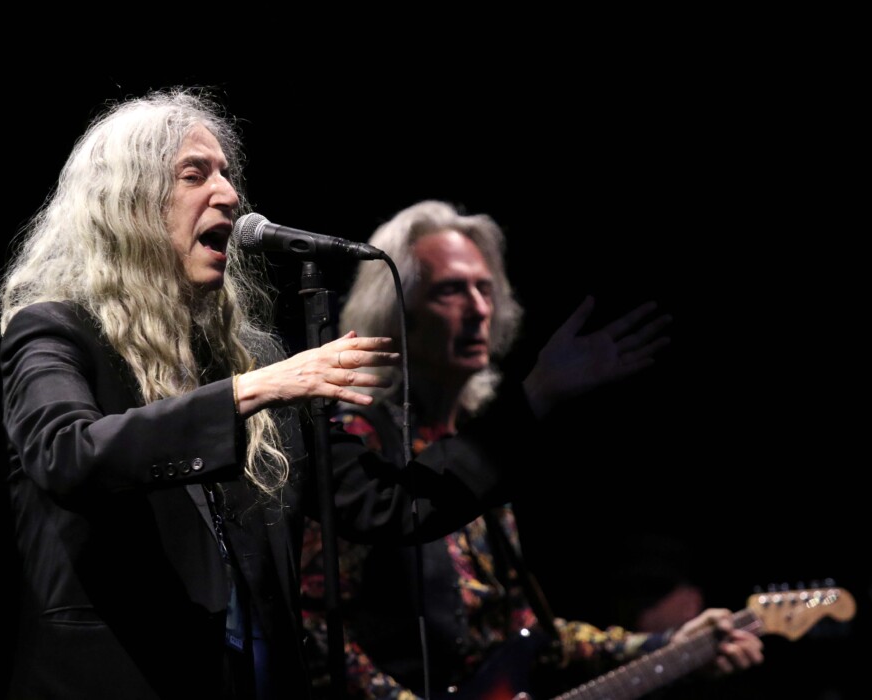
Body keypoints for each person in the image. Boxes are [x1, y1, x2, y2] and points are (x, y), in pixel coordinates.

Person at [0, 89, 555, 700]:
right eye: (194, 174)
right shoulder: (55, 328)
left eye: (227, 174)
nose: (229, 194)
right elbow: (65, 453)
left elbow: (388, 503)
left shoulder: (241, 360)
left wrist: (536, 398)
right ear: (127, 204)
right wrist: (251, 390)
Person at [299, 200, 764, 699]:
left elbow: (530, 639)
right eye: (451, 291)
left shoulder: (477, 446)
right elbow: (314, 625)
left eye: (485, 289)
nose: (479, 308)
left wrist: (669, 645)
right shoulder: (359, 440)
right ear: (399, 314)